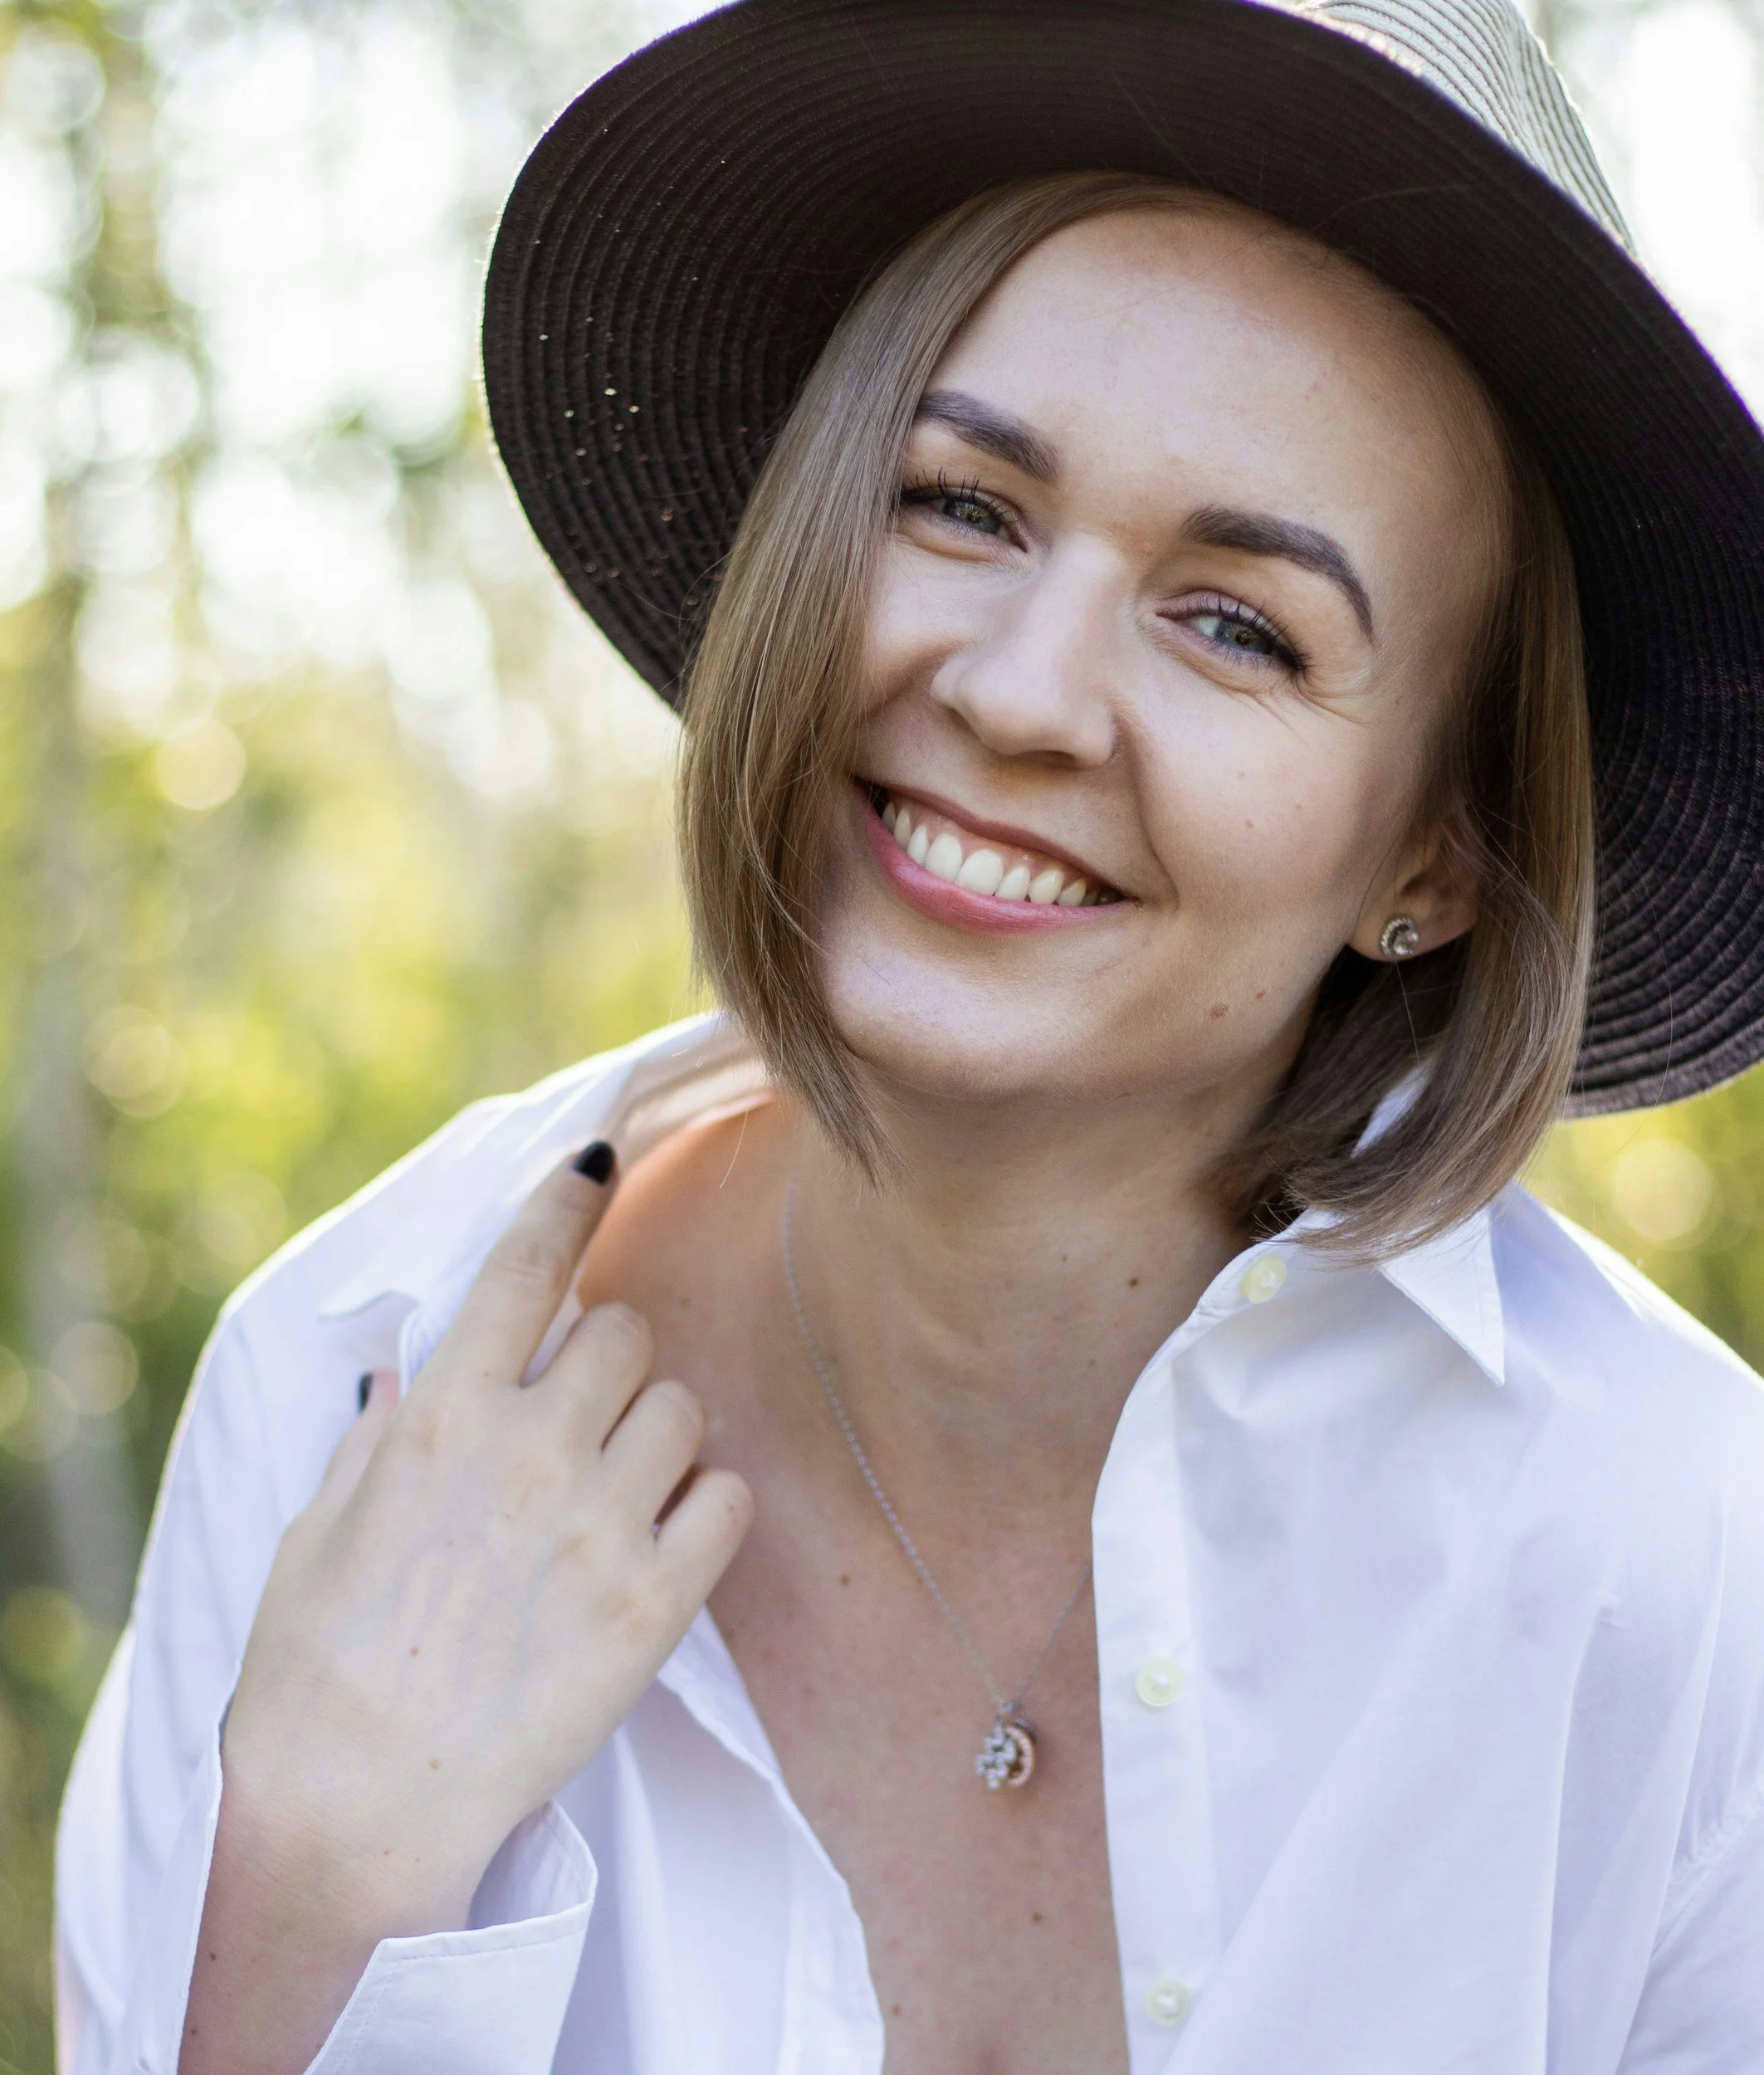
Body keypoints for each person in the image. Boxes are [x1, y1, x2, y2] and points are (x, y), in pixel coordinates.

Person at [54, 0, 1764, 2069]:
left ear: (1438, 854)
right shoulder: (347, 1387)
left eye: (1240, 622)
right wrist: (315, 1886)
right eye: (962, 503)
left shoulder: (1673, 1560)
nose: (1026, 691)